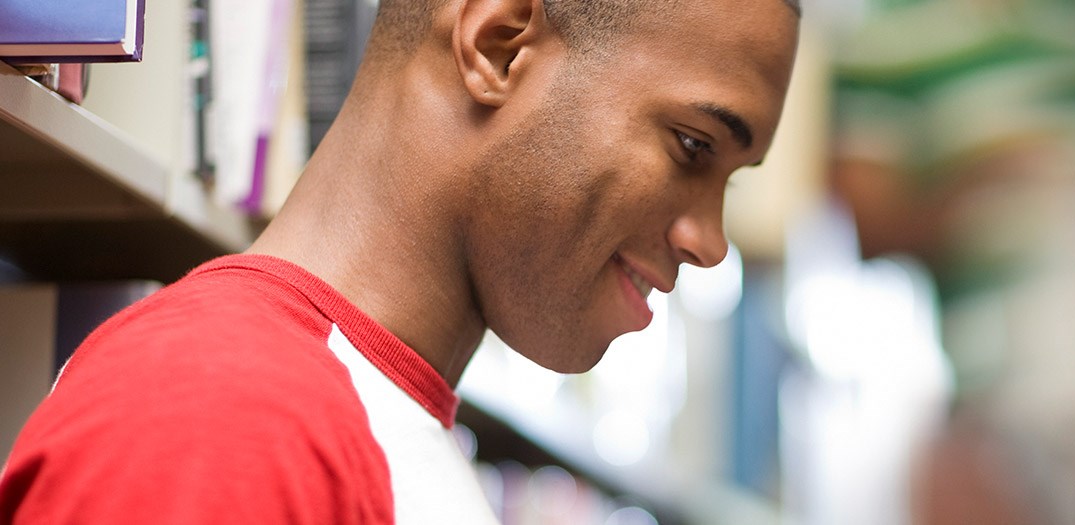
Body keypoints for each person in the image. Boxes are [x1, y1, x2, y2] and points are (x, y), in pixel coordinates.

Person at [0, 0, 799, 522]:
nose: (711, 241)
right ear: (499, 47)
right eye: (693, 146)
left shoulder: (347, 420)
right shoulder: (220, 414)